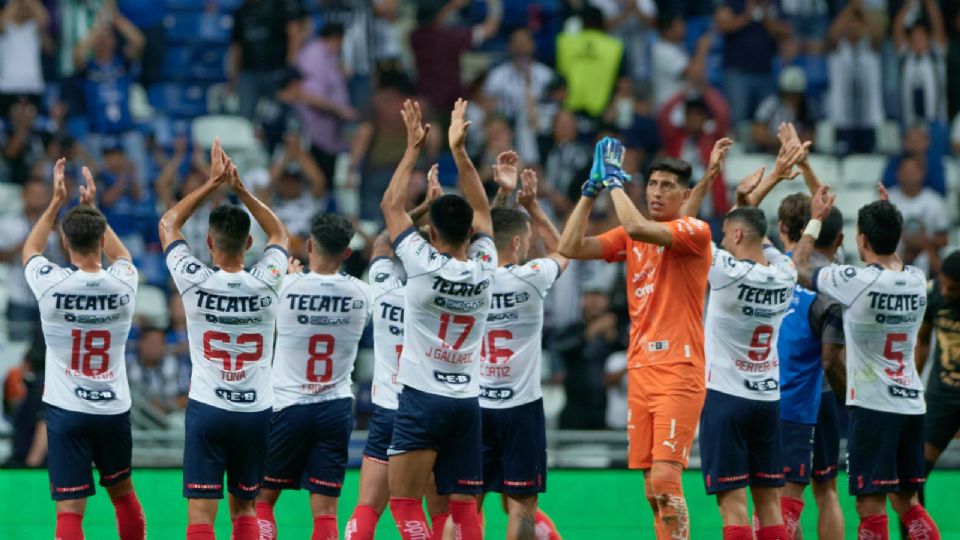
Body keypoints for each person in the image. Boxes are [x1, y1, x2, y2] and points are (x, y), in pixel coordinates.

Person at [559, 138, 712, 539]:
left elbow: (636, 225)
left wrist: (614, 184)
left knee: (665, 479)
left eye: (667, 186)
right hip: (641, 369)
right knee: (651, 488)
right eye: (654, 184)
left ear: (686, 194)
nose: (658, 192)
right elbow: (569, 246)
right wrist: (589, 192)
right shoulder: (631, 239)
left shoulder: (694, 231)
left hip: (679, 369)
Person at [158, 140, 289, 540]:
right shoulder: (268, 280)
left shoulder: (194, 279)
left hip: (209, 407)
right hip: (256, 411)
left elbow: (168, 223)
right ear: (249, 245)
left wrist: (212, 183)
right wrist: (241, 189)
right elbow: (280, 232)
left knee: (201, 516)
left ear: (210, 243)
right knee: (246, 507)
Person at [793, 187, 940, 540]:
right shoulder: (917, 282)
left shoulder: (855, 282)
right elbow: (895, 260)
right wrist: (888, 218)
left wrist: (814, 219)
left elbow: (798, 265)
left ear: (861, 239)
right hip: (911, 403)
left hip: (874, 405)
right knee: (907, 503)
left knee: (869, 506)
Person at [380, 98, 495, 540]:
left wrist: (413, 147)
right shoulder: (485, 266)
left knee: (406, 501)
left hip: (422, 397)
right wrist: (460, 152)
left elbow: (391, 207)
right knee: (463, 507)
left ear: (430, 232)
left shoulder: (422, 262)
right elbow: (484, 211)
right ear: (469, 234)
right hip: (467, 400)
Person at [23, 159, 145, 540]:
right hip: (112, 407)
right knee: (123, 496)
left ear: (65, 242)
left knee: (70, 510)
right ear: (100, 241)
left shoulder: (50, 284)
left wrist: (57, 201)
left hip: (67, 409)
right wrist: (92, 209)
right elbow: (122, 256)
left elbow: (30, 248)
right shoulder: (123, 283)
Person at [254, 213, 372, 540]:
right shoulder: (362, 293)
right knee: (325, 512)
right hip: (335, 407)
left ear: (308, 246)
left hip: (287, 406)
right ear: (347, 253)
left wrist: (291, 277)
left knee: (262, 501)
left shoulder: (285, 285)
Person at [345, 166, 445, 540]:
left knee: (368, 507)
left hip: (387, 408)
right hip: (428, 409)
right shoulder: (443, 297)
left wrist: (416, 215)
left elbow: (382, 244)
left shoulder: (384, 286)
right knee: (433, 509)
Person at [697, 202, 797, 540]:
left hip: (725, 396)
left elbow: (687, 229)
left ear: (737, 234)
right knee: (769, 503)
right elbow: (774, 248)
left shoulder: (725, 270)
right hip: (767, 398)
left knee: (733, 505)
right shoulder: (787, 273)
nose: (723, 242)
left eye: (726, 235)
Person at [482, 161, 568, 539]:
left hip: (474, 403)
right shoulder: (531, 278)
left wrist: (501, 195)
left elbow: (474, 237)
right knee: (521, 506)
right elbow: (565, 250)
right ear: (517, 242)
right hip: (521, 407)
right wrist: (533, 206)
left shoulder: (466, 275)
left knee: (463, 503)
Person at [913, 251, 960, 526]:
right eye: (943, 283)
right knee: (915, 472)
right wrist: (914, 384)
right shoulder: (934, 295)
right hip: (941, 395)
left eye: (952, 289)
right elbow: (923, 340)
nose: (944, 290)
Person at [293, 22, 358, 184]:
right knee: (317, 184)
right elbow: (310, 97)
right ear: (336, 38)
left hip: (329, 135)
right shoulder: (314, 55)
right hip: (314, 135)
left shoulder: (328, 56)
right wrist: (341, 110)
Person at [0, 180, 60, 340]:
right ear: (24, 196)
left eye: (41, 195)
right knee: (18, 350)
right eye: (34, 194)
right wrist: (21, 247)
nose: (37, 199)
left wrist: (59, 233)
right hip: (18, 296)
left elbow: (68, 259)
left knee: (48, 351)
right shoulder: (7, 223)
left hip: (47, 297)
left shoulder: (55, 227)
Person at [229, 0, 307, 120]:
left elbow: (294, 35)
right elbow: (236, 48)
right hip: (248, 73)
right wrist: (234, 77)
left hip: (276, 71)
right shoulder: (241, 12)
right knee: (244, 117)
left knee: (277, 115)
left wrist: (290, 67)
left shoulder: (278, 6)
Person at [556, 6, 624, 117]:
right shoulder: (615, 47)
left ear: (581, 23)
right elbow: (623, 83)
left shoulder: (564, 42)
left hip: (568, 112)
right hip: (601, 113)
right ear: (602, 23)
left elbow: (557, 76)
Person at [886, 156, 949, 276]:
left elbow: (944, 239)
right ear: (897, 174)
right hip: (895, 251)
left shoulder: (935, 201)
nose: (909, 176)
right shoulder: (888, 199)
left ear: (923, 173)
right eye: (905, 171)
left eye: (913, 171)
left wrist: (922, 241)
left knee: (925, 256)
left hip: (927, 251)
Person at [482, 28, 555, 124]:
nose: (520, 48)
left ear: (533, 46)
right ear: (509, 47)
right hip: (507, 126)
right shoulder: (497, 75)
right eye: (516, 44)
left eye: (524, 44)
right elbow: (488, 108)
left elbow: (554, 107)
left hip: (540, 127)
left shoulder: (546, 75)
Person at [893, 0, 948, 126]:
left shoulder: (936, 56)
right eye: (914, 36)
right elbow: (897, 31)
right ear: (909, 40)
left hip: (935, 121)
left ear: (929, 39)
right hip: (910, 124)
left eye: (922, 36)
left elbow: (938, 26)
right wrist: (908, 6)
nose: (918, 39)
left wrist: (929, 4)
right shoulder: (905, 57)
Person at [126, 326, 189, 415]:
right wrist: (149, 405)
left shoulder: (175, 365)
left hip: (169, 416)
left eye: (159, 343)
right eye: (150, 342)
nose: (154, 347)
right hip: (137, 417)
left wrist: (165, 405)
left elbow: (186, 398)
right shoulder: (128, 367)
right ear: (140, 344)